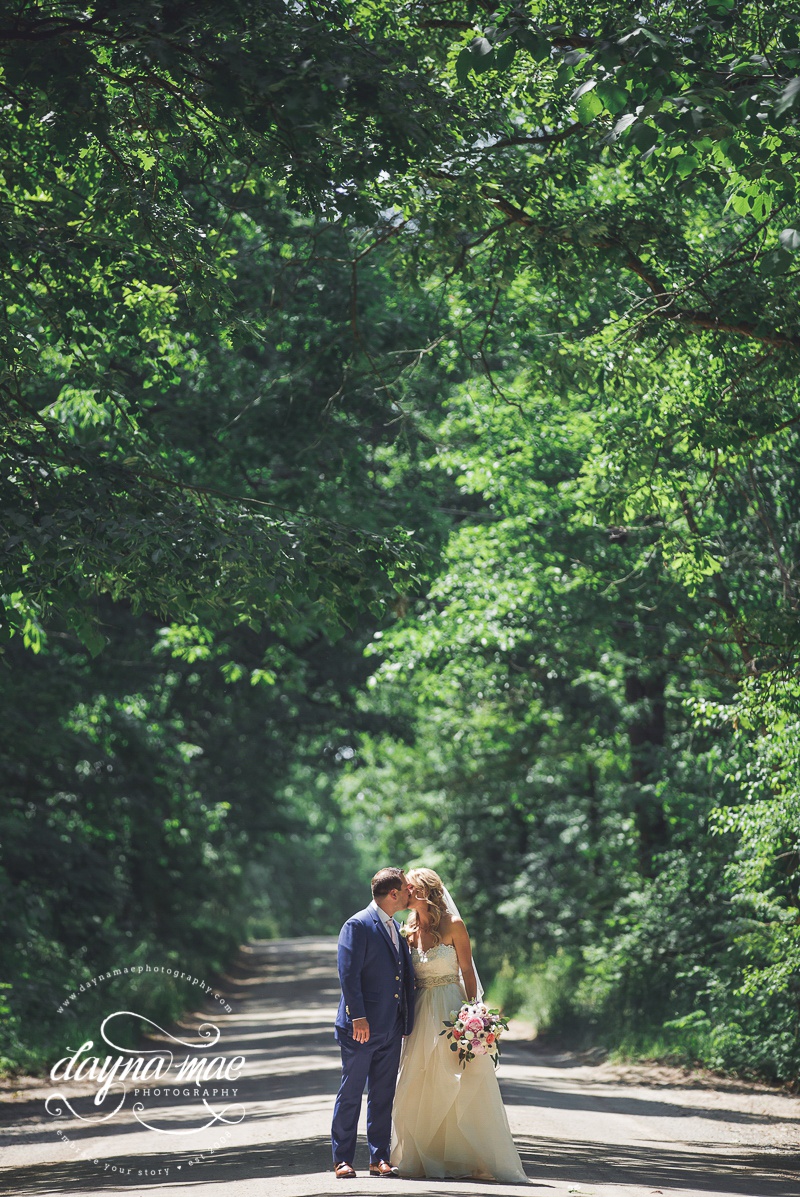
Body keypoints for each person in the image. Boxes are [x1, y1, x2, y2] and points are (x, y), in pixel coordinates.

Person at [391, 867, 528, 1184]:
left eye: (409, 888)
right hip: (420, 1009)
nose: (403, 893)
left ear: (423, 890)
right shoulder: (406, 927)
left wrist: (474, 1016)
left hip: (451, 1007)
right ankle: (423, 1156)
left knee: (455, 1080)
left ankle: (464, 1156)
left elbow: (468, 972)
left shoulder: (454, 925)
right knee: (418, 1079)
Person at [331, 867, 415, 1179]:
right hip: (361, 1027)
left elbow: (402, 977)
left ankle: (379, 1158)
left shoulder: (397, 926)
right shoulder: (357, 924)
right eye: (406, 889)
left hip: (392, 1027)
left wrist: (406, 1021)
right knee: (352, 1092)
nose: (410, 893)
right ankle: (342, 1159)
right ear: (394, 894)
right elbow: (348, 975)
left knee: (383, 1094)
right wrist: (359, 1016)